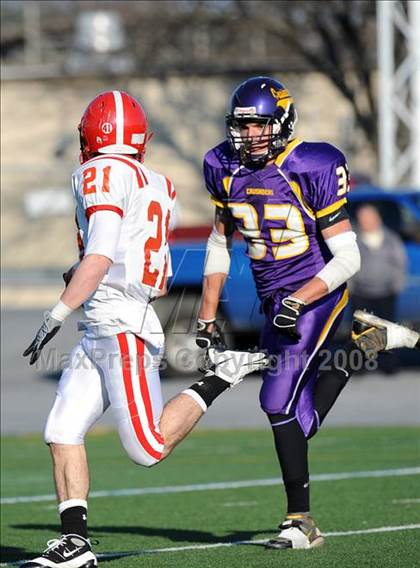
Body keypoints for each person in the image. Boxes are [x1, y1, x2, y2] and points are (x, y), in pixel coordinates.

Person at [22, 90, 269, 568]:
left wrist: (56, 313)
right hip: (107, 317)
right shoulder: (157, 182)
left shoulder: (97, 172)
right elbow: (126, 259)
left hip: (121, 324)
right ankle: (74, 545)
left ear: (92, 135)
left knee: (147, 448)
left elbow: (100, 256)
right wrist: (84, 283)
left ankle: (225, 372)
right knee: (62, 430)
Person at [196, 76, 420, 550]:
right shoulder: (221, 164)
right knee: (299, 418)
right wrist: (206, 314)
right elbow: (219, 242)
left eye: (259, 125)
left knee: (275, 401)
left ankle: (301, 522)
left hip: (316, 291)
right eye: (243, 126)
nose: (250, 135)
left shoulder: (311, 164)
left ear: (282, 121)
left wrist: (300, 298)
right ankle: (364, 343)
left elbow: (349, 258)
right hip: (271, 297)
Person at [351, 205, 407, 373]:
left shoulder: (390, 238)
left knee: (387, 330)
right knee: (361, 332)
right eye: (362, 219)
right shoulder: (354, 240)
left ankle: (388, 366)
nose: (366, 222)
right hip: (361, 292)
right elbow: (349, 264)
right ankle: (359, 367)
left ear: (377, 219)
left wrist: (396, 285)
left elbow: (400, 262)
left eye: (369, 218)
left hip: (386, 292)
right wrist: (350, 287)